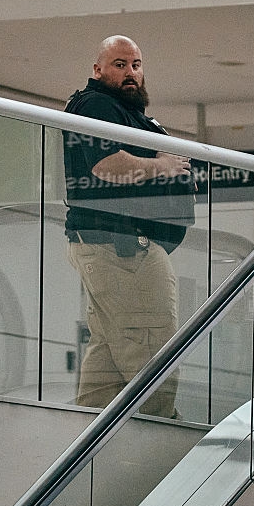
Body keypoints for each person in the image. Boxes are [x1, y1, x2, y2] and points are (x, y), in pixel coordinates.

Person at [63, 35, 196, 417]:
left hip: (113, 247)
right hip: (124, 249)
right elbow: (106, 165)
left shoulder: (123, 111)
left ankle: (87, 456)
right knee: (153, 353)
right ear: (98, 69)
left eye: (136, 65)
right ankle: (159, 444)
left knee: (106, 365)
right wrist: (164, 167)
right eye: (119, 64)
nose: (130, 73)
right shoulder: (97, 104)